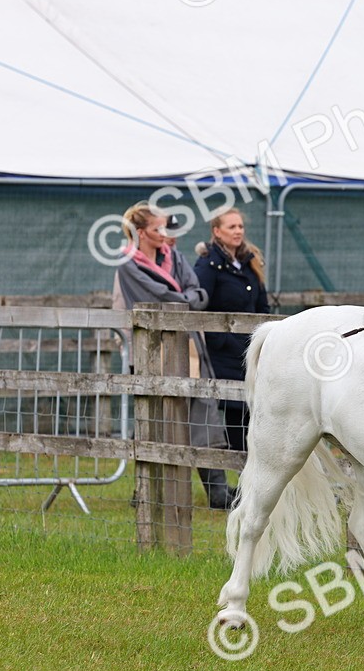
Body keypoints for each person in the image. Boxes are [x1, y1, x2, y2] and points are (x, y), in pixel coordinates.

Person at [115, 201, 236, 510]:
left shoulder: (176, 257)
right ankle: (146, 491)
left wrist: (184, 301)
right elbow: (158, 299)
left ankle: (218, 492)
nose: (166, 233)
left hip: (191, 347)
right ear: (141, 232)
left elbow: (199, 294)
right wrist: (186, 301)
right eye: (160, 228)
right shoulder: (128, 263)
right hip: (153, 354)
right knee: (156, 420)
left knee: (204, 416)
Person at [194, 208, 270, 453]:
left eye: (240, 226)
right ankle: (239, 476)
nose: (238, 231)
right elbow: (198, 304)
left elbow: (263, 306)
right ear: (217, 231)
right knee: (236, 411)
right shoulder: (208, 264)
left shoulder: (250, 262)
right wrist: (219, 340)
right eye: (231, 227)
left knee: (255, 412)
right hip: (224, 354)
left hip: (252, 350)